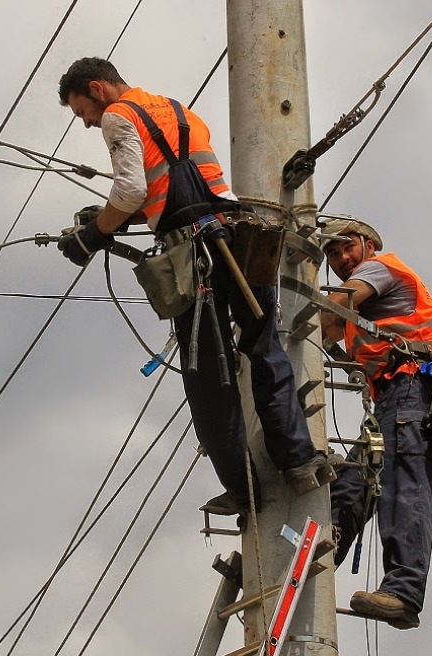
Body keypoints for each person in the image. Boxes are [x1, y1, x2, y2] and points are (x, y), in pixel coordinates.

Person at [55, 57, 332, 516]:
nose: (86, 122)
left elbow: (130, 191)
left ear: (97, 89)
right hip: (239, 237)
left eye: (81, 110)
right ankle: (300, 461)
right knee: (265, 348)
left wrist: (93, 235)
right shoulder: (178, 110)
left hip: (195, 255)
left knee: (209, 376)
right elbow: (174, 183)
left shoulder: (118, 116)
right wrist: (110, 221)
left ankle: (244, 489)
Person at [318, 216, 432, 630]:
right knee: (351, 485)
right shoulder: (358, 303)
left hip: (413, 386)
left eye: (348, 247)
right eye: (333, 253)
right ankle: (315, 563)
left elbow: (326, 314)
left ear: (369, 245)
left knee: (403, 483)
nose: (342, 257)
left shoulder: (378, 269)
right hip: (393, 397)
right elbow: (322, 331)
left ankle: (404, 592)